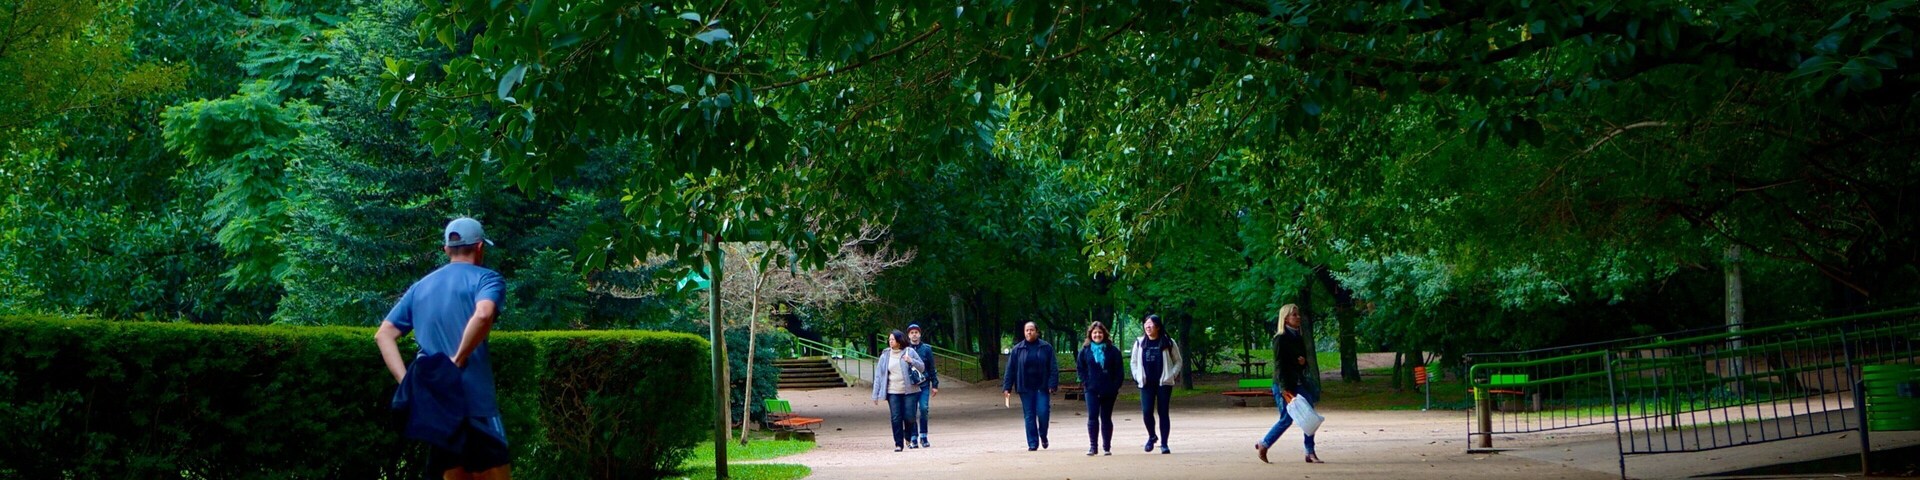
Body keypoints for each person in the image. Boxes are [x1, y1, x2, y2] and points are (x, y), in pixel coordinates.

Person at [375, 217, 512, 480]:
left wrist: (408, 383)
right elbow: (483, 315)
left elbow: (384, 335)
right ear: (481, 247)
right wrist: (458, 358)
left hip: (440, 411)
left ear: (446, 250)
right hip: (478, 407)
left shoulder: (420, 287)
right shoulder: (487, 279)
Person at [1255, 304, 1324, 464]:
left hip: (1299, 383)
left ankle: (1310, 452)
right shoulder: (1280, 339)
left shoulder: (1298, 337)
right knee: (1286, 419)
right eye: (1294, 315)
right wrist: (1284, 388)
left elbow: (1302, 362)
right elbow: (1280, 365)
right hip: (1284, 384)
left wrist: (1303, 362)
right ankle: (1264, 444)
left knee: (1310, 416)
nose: (1298, 317)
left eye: (1298, 314)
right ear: (1285, 318)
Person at [1129, 314, 1182, 454]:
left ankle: (1164, 444)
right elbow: (1133, 362)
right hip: (1146, 383)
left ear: (1157, 327)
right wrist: (1136, 375)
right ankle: (1152, 436)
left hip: (1163, 383)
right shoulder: (1139, 343)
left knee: (1163, 412)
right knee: (1147, 412)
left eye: (1151, 324)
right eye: (1146, 324)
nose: (1148, 327)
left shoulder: (1168, 342)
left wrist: (1172, 374)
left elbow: (1178, 361)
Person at [1002, 321, 1059, 451]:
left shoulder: (1046, 347)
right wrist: (1007, 387)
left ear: (1037, 332)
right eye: (1027, 330)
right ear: (1024, 332)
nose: (1029, 332)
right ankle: (1032, 443)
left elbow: (1053, 367)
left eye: (1031, 330)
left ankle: (1043, 435)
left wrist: (1052, 383)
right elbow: (1010, 369)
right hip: (1025, 387)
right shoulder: (1018, 349)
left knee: (1043, 412)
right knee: (1029, 415)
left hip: (1042, 387)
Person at [1075, 321, 1124, 456]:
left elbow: (1119, 370)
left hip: (1109, 389)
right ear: (1090, 334)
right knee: (1092, 416)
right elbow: (1080, 368)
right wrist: (1086, 382)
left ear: (1104, 334)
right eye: (1095, 332)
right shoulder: (1085, 351)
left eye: (1100, 332)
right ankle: (1093, 446)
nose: (1097, 335)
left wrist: (1115, 386)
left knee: (1106, 417)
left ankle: (1107, 447)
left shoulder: (1113, 351)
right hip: (1091, 389)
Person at [871, 330, 926, 452]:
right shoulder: (885, 355)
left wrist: (911, 360)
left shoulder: (909, 351)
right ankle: (898, 444)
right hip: (892, 391)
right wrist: (875, 394)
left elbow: (922, 367)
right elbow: (879, 375)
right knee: (896, 417)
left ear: (899, 340)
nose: (890, 341)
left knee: (910, 417)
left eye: (893, 339)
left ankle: (907, 436)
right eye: (889, 339)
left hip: (910, 391)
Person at [906, 324, 940, 448]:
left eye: (916, 332)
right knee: (911, 412)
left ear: (920, 334)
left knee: (924, 409)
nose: (914, 334)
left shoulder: (926, 349)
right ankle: (913, 437)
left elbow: (932, 367)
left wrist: (935, 384)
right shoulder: (906, 349)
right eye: (912, 333)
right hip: (910, 385)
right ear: (908, 335)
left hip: (924, 384)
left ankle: (924, 435)